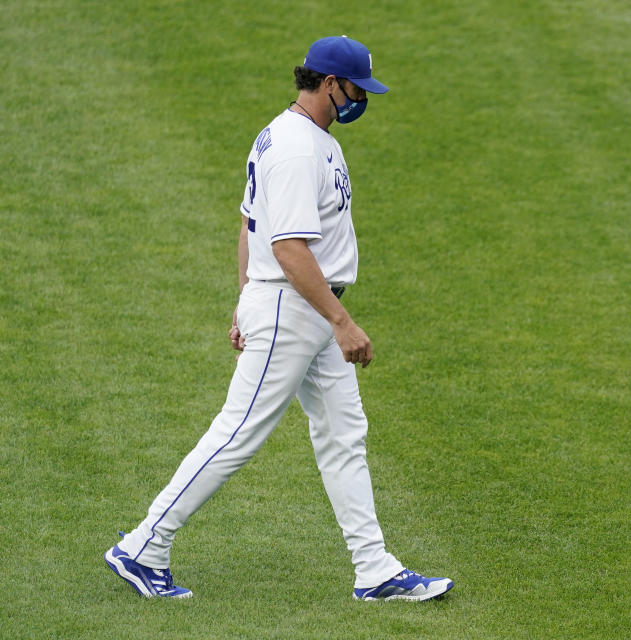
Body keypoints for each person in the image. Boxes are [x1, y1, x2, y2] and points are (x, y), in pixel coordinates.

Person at [104, 35, 453, 602]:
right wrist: (341, 322)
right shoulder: (295, 148)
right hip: (297, 307)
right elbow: (288, 249)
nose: (362, 99)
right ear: (329, 84)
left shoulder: (302, 135)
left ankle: (375, 570)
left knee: (344, 434)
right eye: (357, 89)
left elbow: (248, 223)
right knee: (239, 432)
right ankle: (145, 545)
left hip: (301, 306)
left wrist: (246, 299)